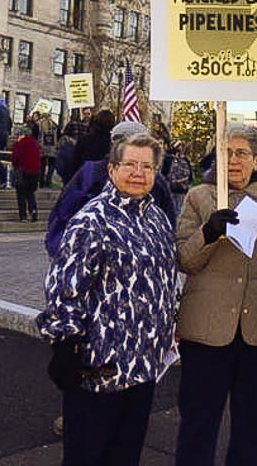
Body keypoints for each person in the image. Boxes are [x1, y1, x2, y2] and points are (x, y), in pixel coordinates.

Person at [36, 132, 178, 465]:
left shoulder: (157, 219)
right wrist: (63, 345)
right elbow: (64, 285)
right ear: (112, 169)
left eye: (147, 166)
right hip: (98, 368)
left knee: (125, 456)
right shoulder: (92, 220)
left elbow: (166, 279)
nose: (138, 172)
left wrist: (173, 318)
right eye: (130, 164)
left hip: (143, 368)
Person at [175, 123, 257, 466]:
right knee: (198, 425)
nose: (234, 160)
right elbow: (185, 259)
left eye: (242, 153)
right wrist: (209, 232)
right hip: (206, 332)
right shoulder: (200, 197)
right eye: (227, 152)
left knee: (249, 425)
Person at [45, 121, 176, 259]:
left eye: (147, 167)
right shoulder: (91, 177)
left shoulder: (156, 183)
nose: (138, 174)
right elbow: (62, 211)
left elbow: (168, 226)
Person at [71, 109, 115, 179]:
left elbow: (74, 163)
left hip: (84, 177)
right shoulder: (113, 144)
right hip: (102, 180)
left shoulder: (84, 140)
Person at [11, 124, 41, 223]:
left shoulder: (19, 144)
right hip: (35, 173)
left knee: (21, 195)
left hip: (22, 172)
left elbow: (15, 159)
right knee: (30, 193)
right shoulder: (36, 144)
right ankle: (33, 212)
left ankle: (23, 216)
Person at [162, 140, 193, 216]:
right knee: (180, 213)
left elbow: (162, 175)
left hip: (169, 190)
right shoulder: (185, 160)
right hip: (182, 191)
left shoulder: (166, 159)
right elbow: (190, 177)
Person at [37, 112, 59, 187]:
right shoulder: (55, 125)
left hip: (42, 148)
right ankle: (48, 181)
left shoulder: (40, 124)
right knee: (51, 165)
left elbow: (37, 135)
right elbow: (59, 135)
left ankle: (41, 181)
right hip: (53, 149)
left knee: (42, 165)